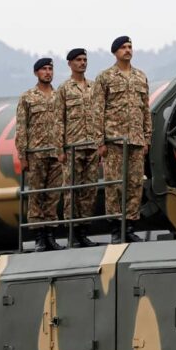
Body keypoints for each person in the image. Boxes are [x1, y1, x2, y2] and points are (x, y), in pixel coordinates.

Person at [92, 36, 151, 243]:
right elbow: (97, 111)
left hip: (136, 140)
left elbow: (145, 110)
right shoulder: (105, 77)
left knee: (135, 185)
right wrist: (100, 142)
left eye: (130, 47)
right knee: (115, 186)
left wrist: (147, 139)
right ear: (115, 52)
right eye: (123, 48)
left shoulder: (140, 77)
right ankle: (117, 229)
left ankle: (130, 226)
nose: (128, 50)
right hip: (114, 141)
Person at [15, 57, 65, 252]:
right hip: (36, 154)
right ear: (36, 73)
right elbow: (21, 127)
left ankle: (51, 235)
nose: (47, 72)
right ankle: (39, 237)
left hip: (55, 153)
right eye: (43, 69)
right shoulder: (27, 98)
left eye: (50, 69)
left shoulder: (59, 96)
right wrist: (22, 155)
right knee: (36, 195)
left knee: (52, 196)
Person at [57, 48, 99, 247]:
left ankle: (83, 231)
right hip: (72, 146)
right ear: (70, 64)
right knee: (71, 190)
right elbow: (58, 120)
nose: (82, 63)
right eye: (78, 60)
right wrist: (60, 148)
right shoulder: (65, 89)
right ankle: (72, 232)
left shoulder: (94, 87)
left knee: (89, 190)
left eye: (84, 60)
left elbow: (100, 115)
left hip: (92, 145)